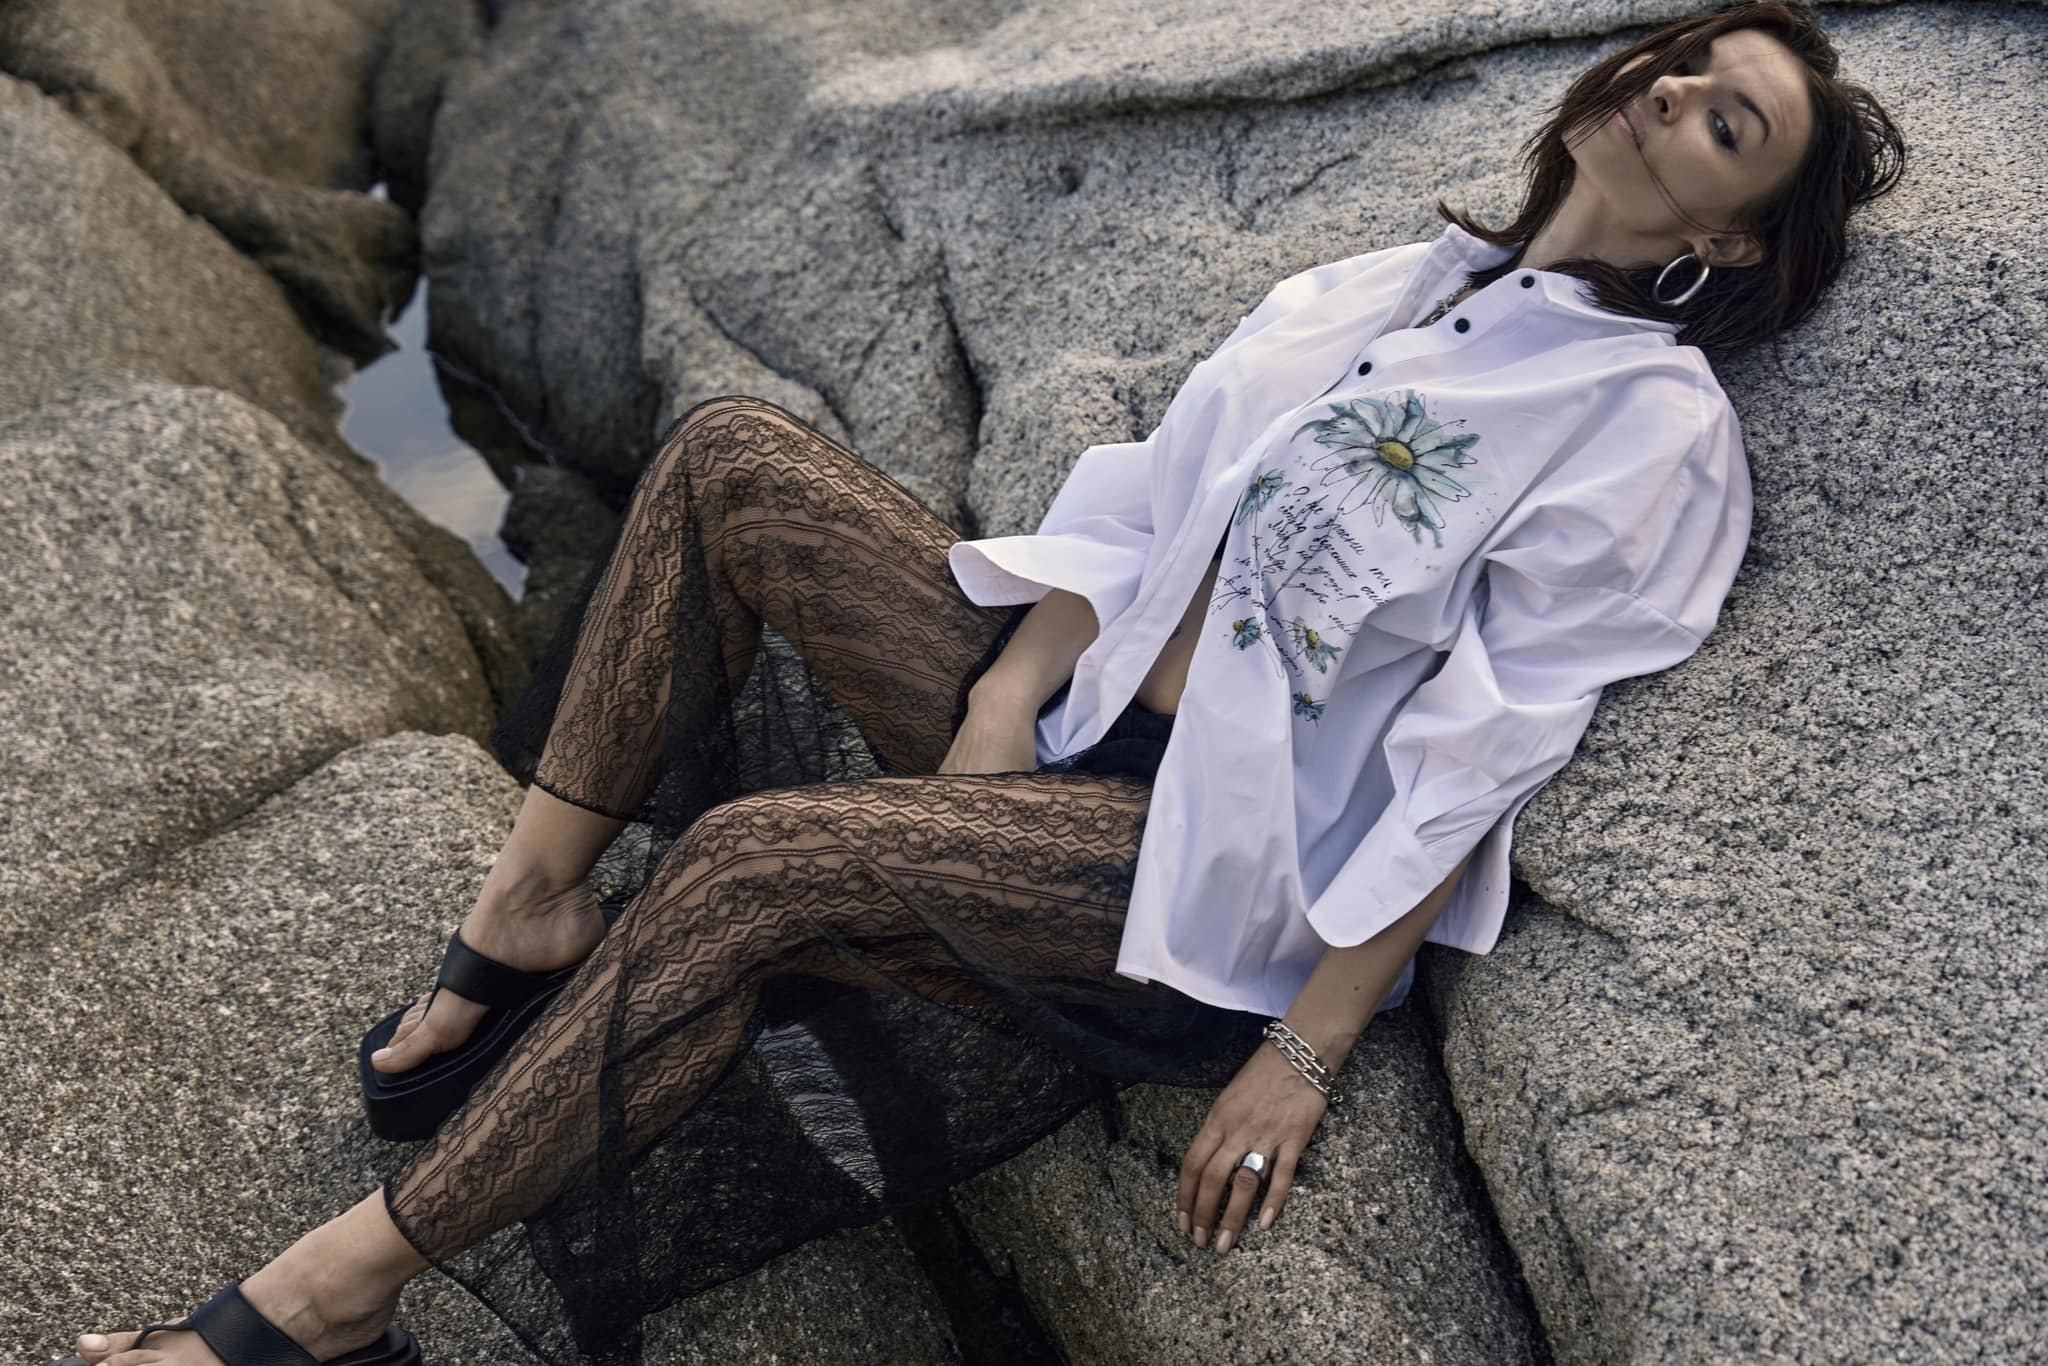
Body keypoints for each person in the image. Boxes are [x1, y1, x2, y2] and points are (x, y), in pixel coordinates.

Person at [60, 3, 1903, 1363]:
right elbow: (1149, 509)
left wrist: (1303, 1051)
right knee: (731, 459)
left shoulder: (1643, 428)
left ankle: (328, 1300)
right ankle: (529, 908)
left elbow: (1477, 761)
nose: (1672, 94)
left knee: (755, 863)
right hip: (1075, 728)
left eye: (1725, 123)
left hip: (1193, 879)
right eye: (1686, 64)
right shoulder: (1393, 283)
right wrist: (1009, 692)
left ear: (1730, 241)